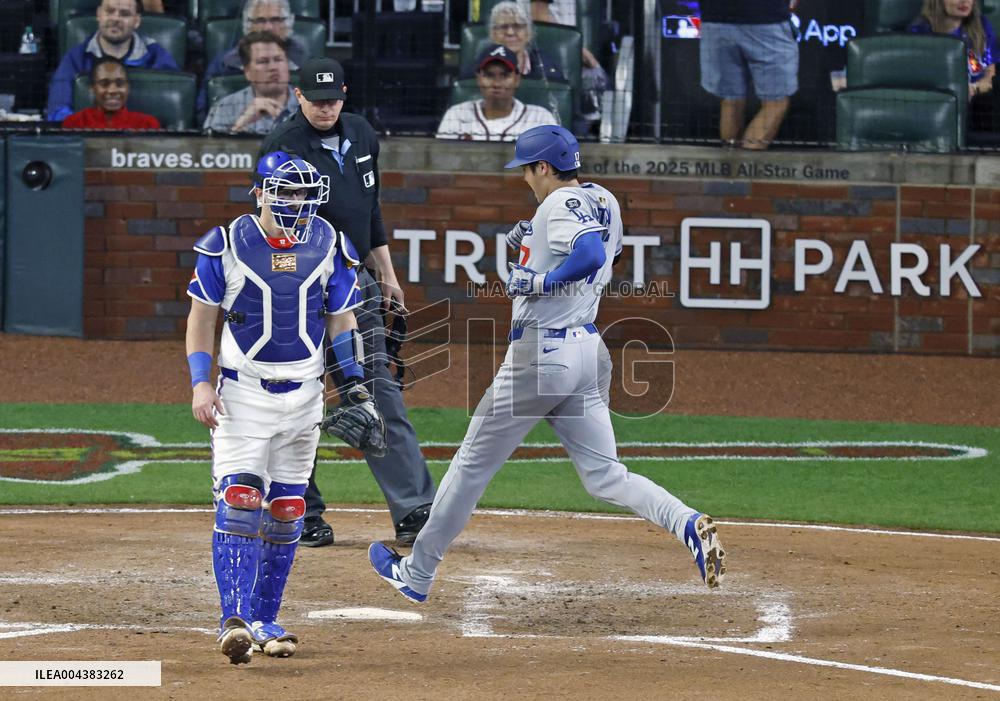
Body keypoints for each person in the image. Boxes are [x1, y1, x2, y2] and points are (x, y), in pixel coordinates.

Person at [367, 125, 727, 603]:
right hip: (587, 352)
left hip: (542, 357)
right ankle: (686, 522)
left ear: (544, 167)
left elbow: (589, 253)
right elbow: (605, 256)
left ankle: (417, 572)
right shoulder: (604, 199)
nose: (524, 180)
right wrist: (534, 245)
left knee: (470, 466)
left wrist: (540, 281)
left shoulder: (558, 204)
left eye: (526, 170)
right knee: (605, 475)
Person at [186, 150, 370, 663]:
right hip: (243, 394)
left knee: (288, 510)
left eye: (307, 195)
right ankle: (234, 619)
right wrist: (202, 384)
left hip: (305, 395)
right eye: (288, 193)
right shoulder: (225, 244)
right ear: (262, 192)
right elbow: (201, 321)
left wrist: (354, 383)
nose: (299, 204)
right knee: (243, 498)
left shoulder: (331, 244)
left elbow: (341, 321)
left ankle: (266, 617)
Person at [260, 57, 437, 548]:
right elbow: (271, 223)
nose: (325, 108)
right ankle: (300, 510)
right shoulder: (283, 146)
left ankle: (415, 509)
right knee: (297, 399)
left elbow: (370, 208)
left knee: (380, 391)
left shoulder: (361, 134)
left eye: (332, 99)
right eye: (315, 100)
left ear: (344, 95)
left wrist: (388, 275)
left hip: (356, 283)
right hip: (299, 290)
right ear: (298, 97)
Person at [46, 0, 178, 123]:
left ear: (136, 21)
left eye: (124, 14)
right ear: (98, 14)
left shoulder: (157, 56)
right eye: (109, 11)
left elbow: (174, 110)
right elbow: (58, 110)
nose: (115, 19)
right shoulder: (75, 58)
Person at [698, 0, 799, 150]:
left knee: (731, 100)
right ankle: (743, 169)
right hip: (766, 19)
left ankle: (730, 168)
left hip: (715, 22)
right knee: (776, 103)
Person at [197, 0, 310, 120]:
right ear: (247, 24)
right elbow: (203, 113)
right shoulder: (223, 64)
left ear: (288, 22)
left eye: (276, 20)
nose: (268, 27)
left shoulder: (308, 64)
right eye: (260, 20)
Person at [437, 44, 558, 141]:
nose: (497, 83)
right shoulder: (457, 115)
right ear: (478, 78)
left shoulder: (539, 118)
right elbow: (439, 163)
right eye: (489, 75)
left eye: (505, 75)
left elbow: (557, 164)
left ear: (517, 79)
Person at [203, 32, 297, 135]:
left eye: (278, 59)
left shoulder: (310, 105)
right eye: (263, 61)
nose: (273, 67)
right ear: (247, 71)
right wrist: (240, 125)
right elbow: (211, 149)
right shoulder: (225, 107)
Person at [909, 0, 997, 101]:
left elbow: (990, 76)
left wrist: (974, 88)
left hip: (980, 100)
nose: (965, 1)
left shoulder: (981, 24)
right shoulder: (919, 31)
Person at [472, 1, 565, 83]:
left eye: (517, 26)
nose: (510, 32)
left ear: (529, 33)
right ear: (492, 34)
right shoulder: (478, 69)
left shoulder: (546, 69)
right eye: (503, 27)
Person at [62, 57, 161, 129]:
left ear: (128, 88)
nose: (112, 90)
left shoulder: (148, 124)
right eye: (104, 83)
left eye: (120, 83)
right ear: (92, 88)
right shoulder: (74, 123)